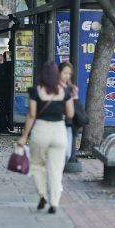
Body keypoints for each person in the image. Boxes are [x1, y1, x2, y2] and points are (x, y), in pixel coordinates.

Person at [17, 62, 74, 214]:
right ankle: (54, 203)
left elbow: (31, 115)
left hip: (41, 131)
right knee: (56, 170)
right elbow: (70, 114)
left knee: (37, 165)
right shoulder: (65, 92)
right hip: (59, 132)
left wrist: (23, 136)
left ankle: (42, 195)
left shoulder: (36, 91)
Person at [58, 62, 79, 162]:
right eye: (64, 72)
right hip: (56, 123)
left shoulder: (71, 88)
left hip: (68, 123)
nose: (66, 75)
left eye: (69, 73)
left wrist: (75, 97)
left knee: (67, 153)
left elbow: (74, 109)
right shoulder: (54, 87)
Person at [0, 52, 13, 135]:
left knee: (3, 109)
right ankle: (3, 128)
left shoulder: (0, 66)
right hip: (8, 91)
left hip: (1, 91)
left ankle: (4, 126)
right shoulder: (12, 66)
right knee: (5, 109)